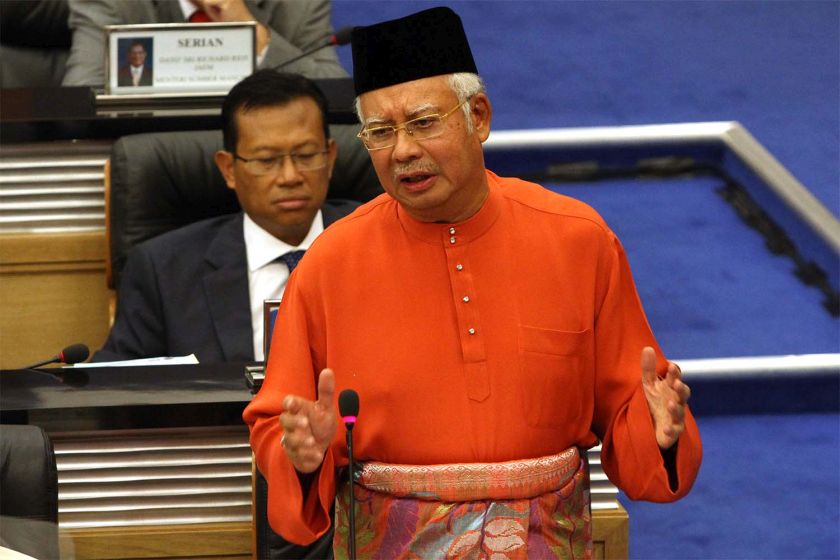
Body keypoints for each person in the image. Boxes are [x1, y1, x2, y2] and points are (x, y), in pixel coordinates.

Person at [244, 7, 703, 559]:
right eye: (381, 132)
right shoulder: (328, 264)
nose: (403, 150)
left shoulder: (577, 239)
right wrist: (302, 455)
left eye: (423, 123)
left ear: (478, 116)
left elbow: (633, 410)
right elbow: (279, 422)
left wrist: (658, 428)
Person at [95, 70, 358, 365]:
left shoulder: (380, 242)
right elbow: (119, 381)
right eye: (266, 160)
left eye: (307, 155)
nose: (290, 176)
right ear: (228, 169)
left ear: (330, 157)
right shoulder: (163, 271)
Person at [62, 0, 347, 86]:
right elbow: (77, 104)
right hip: (158, 162)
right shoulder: (115, 4)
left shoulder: (299, 5)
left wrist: (253, 33)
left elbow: (336, 93)